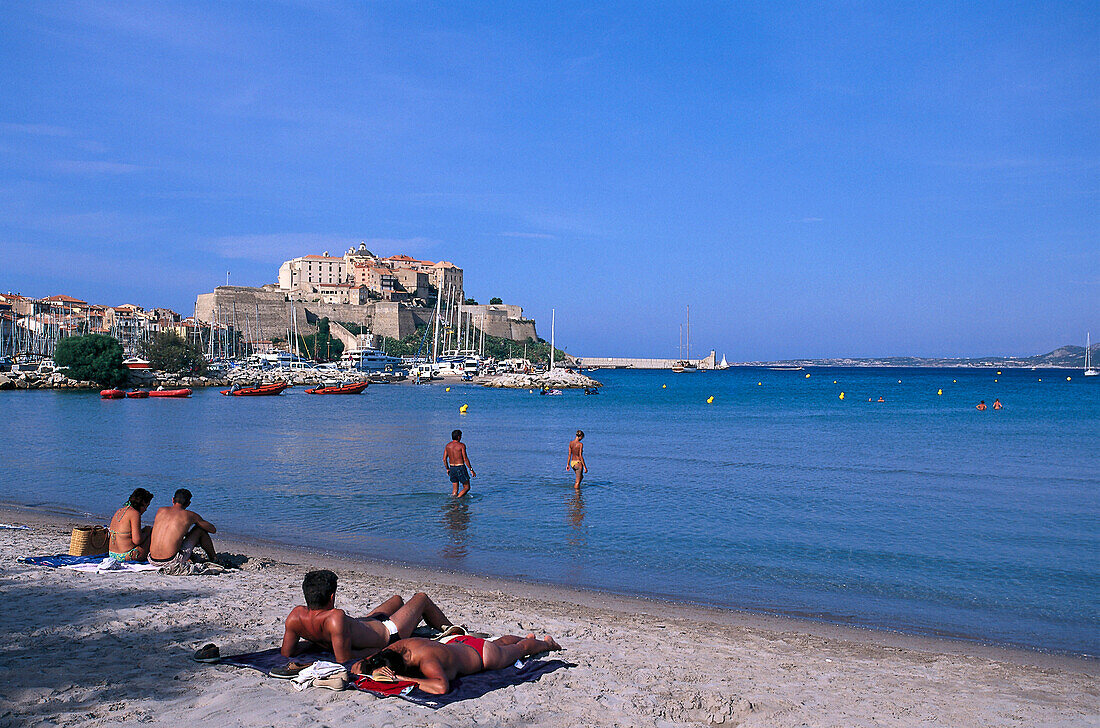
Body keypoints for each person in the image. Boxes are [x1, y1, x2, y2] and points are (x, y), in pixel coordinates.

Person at [280, 570, 456, 663]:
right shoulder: (335, 617)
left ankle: (414, 619)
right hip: (389, 633)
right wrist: (381, 650)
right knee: (421, 598)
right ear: (332, 597)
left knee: (397, 600)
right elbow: (344, 659)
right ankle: (454, 631)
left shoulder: (295, 616)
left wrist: (315, 642)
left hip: (369, 623)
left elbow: (287, 652)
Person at [352, 633, 562, 694]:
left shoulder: (427, 662)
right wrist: (375, 668)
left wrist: (401, 678)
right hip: (457, 642)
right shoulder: (398, 648)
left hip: (482, 656)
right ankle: (526, 637)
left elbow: (441, 687)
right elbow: (356, 667)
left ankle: (546, 644)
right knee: (499, 643)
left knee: (520, 650)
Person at [148, 488, 217, 569]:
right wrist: (197, 521)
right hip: (171, 561)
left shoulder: (161, 510)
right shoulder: (190, 515)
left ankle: (195, 557)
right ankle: (214, 559)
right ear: (188, 503)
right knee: (199, 530)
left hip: (152, 560)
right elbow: (213, 530)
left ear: (173, 500)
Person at [107, 487, 154, 561]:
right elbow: (137, 540)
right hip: (126, 555)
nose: (146, 509)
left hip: (112, 554)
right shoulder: (135, 514)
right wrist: (147, 532)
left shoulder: (120, 511)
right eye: (146, 506)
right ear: (142, 503)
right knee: (151, 533)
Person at [444, 429, 475, 498]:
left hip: (452, 468)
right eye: (461, 436)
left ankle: (454, 503)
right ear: (458, 437)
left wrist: (447, 468)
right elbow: (465, 459)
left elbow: (444, 459)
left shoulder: (448, 446)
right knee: (467, 487)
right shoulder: (461, 445)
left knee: (455, 489)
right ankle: (458, 499)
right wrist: (471, 469)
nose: (461, 437)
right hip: (460, 467)